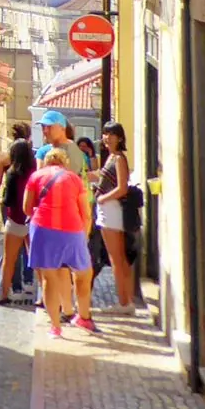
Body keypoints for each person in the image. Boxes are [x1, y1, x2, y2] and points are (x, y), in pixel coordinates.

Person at [24, 148, 98, 338]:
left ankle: (55, 327)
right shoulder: (74, 178)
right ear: (64, 162)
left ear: (47, 161)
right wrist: (85, 234)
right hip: (72, 229)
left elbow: (26, 207)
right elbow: (86, 212)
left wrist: (40, 219)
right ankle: (84, 317)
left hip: (43, 229)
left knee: (49, 278)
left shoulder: (35, 176)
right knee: (83, 274)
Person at [36, 111, 94, 319]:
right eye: (43, 126)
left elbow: (70, 186)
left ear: (61, 127)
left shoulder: (71, 152)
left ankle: (79, 313)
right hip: (58, 219)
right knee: (60, 267)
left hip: (72, 218)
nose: (45, 130)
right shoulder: (52, 150)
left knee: (75, 268)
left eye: (49, 126)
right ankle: (67, 309)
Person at [92, 121, 138, 313]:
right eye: (105, 134)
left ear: (120, 138)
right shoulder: (111, 157)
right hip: (108, 211)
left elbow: (122, 187)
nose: (107, 137)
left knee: (116, 258)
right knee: (120, 259)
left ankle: (123, 303)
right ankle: (126, 300)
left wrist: (102, 197)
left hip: (111, 211)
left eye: (111, 134)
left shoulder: (118, 159)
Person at [0, 122, 35, 306]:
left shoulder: (8, 165)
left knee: (9, 256)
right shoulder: (35, 166)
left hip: (14, 216)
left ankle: (9, 291)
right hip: (32, 217)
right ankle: (32, 284)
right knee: (34, 254)